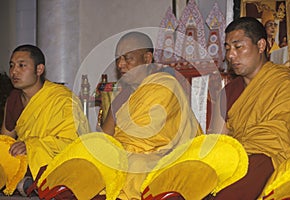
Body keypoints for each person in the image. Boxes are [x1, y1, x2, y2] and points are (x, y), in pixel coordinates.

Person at [34, 32, 203, 199]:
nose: (121, 64)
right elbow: (106, 137)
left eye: (128, 58)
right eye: (118, 59)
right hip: (127, 153)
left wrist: (114, 153)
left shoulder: (165, 85)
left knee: (137, 165)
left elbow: (149, 137)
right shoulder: (123, 95)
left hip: (165, 157)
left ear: (147, 58)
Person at [217, 17, 290, 199]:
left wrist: (241, 150)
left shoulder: (285, 84)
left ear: (261, 46)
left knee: (259, 164)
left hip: (267, 159)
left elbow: (282, 134)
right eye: (228, 48)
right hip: (234, 160)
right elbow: (220, 136)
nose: (231, 55)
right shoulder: (230, 91)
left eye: (238, 47)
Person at [0, 44, 90, 196]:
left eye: (22, 65)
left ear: (39, 69)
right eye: (12, 66)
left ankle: (33, 182)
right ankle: (27, 182)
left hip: (51, 161)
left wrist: (31, 146)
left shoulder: (62, 99)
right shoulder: (14, 99)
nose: (14, 71)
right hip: (23, 160)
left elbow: (73, 143)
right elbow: (5, 140)